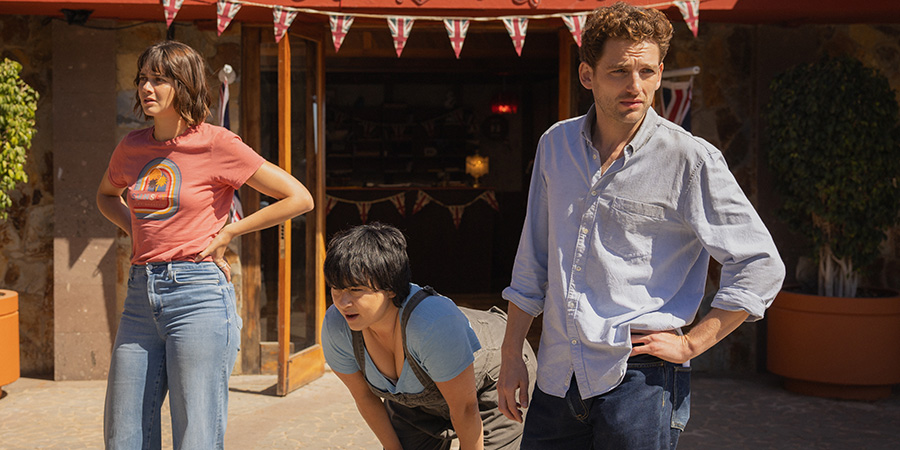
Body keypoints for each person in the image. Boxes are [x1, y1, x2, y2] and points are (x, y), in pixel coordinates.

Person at [497, 3, 786, 449]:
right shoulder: (555, 145)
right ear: (587, 75)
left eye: (647, 72)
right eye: (618, 71)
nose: (636, 86)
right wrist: (512, 352)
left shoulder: (690, 159)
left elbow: (761, 264)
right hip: (558, 373)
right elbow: (532, 261)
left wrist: (692, 344)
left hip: (641, 378)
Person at [97, 40, 314, 450]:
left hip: (198, 296)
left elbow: (299, 197)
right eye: (143, 78)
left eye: (159, 79)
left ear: (184, 85)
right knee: (123, 434)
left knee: (195, 435)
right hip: (140, 298)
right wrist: (138, 231)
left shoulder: (218, 144)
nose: (146, 87)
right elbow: (107, 196)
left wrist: (230, 232)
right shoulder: (131, 147)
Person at [321, 223, 537, 450]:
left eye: (356, 290)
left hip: (492, 380)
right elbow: (365, 397)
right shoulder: (338, 325)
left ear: (390, 287)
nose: (343, 303)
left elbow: (465, 408)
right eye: (336, 288)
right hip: (416, 404)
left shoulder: (431, 325)